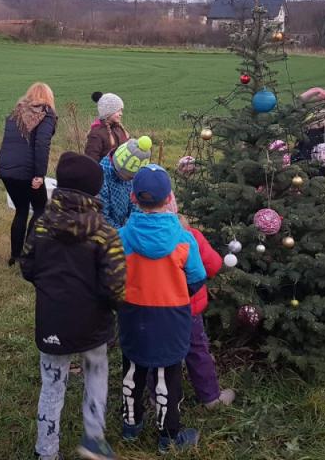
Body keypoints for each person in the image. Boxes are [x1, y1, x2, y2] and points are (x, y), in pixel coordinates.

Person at [20, 152, 126, 460]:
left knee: (52, 385)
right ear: (95, 191)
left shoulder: (40, 224)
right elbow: (116, 285)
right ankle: (94, 439)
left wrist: (51, 288)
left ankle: (46, 452)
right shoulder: (105, 233)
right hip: (94, 324)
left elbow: (28, 266)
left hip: (52, 320)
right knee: (96, 374)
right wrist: (112, 307)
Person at [117, 165, 206, 454]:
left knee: (132, 367)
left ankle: (131, 424)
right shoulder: (184, 239)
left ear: (132, 198)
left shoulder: (122, 237)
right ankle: (168, 436)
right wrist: (177, 293)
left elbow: (113, 274)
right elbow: (196, 277)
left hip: (133, 314)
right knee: (168, 374)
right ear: (169, 198)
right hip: (172, 317)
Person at [160, 194, 236, 409]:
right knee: (198, 351)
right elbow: (214, 265)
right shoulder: (191, 236)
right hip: (189, 310)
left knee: (159, 354)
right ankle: (211, 397)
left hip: (158, 310)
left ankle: (157, 396)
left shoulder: (148, 238)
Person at [0, 82, 57, 266]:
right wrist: (39, 175)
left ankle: (15, 256)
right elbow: (41, 145)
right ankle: (29, 253)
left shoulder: (16, 113)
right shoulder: (46, 115)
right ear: (49, 98)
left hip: (6, 168)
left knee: (21, 210)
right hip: (27, 171)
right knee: (40, 209)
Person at [98, 136, 151, 229]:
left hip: (123, 227)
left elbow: (133, 203)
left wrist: (141, 222)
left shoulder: (129, 175)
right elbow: (103, 218)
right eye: (130, 177)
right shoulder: (101, 178)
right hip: (109, 234)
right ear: (120, 170)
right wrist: (124, 234)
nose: (131, 180)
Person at [293, 87, 325, 177]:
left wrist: (323, 123)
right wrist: (312, 92)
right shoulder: (307, 115)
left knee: (316, 177)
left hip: (320, 155)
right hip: (301, 153)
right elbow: (296, 106)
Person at [84, 92, 128, 162]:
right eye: (118, 111)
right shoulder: (96, 134)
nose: (121, 114)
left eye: (121, 110)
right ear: (107, 113)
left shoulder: (119, 128)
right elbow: (91, 161)